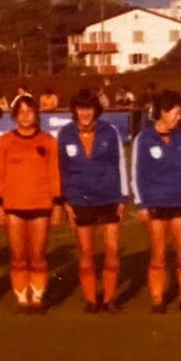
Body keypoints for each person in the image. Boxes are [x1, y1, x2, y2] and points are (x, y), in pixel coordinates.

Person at [57, 88, 129, 313]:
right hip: (80, 198)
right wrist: (65, 201)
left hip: (108, 197)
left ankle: (109, 298)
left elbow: (120, 165)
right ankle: (91, 299)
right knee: (86, 252)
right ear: (75, 111)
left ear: (95, 110)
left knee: (112, 249)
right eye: (80, 109)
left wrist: (123, 197)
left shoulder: (110, 131)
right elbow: (61, 170)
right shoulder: (65, 134)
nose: (85, 113)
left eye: (89, 108)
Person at [132, 89, 181, 314]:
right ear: (163, 112)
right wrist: (141, 204)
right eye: (176, 113)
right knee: (158, 254)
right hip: (156, 204)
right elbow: (137, 173)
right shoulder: (144, 139)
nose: (179, 117)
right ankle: (157, 299)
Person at [0, 94, 62, 314]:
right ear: (14, 116)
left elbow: (54, 174)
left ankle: (38, 297)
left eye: (29, 112)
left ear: (36, 115)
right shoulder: (4, 141)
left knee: (38, 254)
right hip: (14, 206)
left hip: (41, 204)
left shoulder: (48, 141)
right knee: (18, 255)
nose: (25, 116)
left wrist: (57, 204)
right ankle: (22, 298)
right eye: (21, 112)